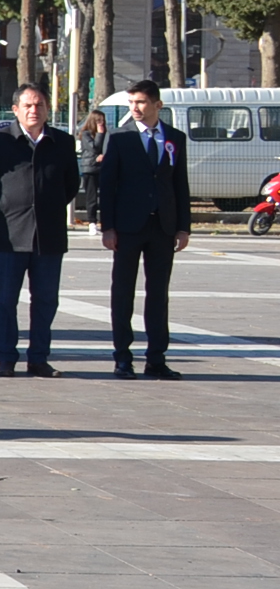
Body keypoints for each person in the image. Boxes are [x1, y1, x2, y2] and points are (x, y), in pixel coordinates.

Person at [0, 84, 77, 377]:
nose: (34, 110)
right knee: (5, 300)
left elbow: (71, 185)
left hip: (49, 236)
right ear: (15, 110)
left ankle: (38, 358)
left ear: (47, 109)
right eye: (27, 105)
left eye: (39, 104)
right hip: (9, 234)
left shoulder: (63, 142)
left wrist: (47, 207)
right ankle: (6, 357)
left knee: (45, 300)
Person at [99, 78, 191, 379]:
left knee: (158, 293)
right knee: (123, 292)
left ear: (157, 105)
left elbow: (180, 184)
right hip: (128, 227)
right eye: (131, 102)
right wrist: (108, 227)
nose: (135, 108)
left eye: (140, 102)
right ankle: (123, 357)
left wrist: (183, 227)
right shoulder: (120, 137)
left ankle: (156, 357)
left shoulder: (175, 138)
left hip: (162, 226)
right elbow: (107, 185)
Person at [75, 108, 108, 225]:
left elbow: (107, 147)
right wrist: (99, 134)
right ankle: (92, 221)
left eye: (103, 121)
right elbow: (94, 147)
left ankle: (106, 221)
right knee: (92, 196)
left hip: (103, 167)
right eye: (99, 121)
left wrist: (104, 155)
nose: (102, 124)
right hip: (90, 167)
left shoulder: (106, 134)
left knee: (106, 196)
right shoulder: (86, 134)